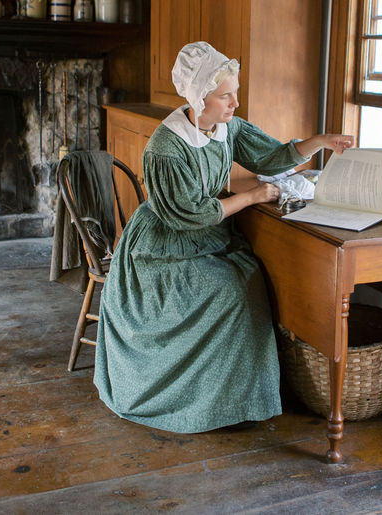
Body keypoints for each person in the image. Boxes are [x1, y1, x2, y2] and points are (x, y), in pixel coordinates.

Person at [93, 41, 353, 433]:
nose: (234, 104)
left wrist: (320, 141)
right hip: (163, 244)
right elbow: (190, 215)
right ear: (200, 99)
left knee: (249, 276)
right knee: (227, 288)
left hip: (208, 234)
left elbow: (271, 156)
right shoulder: (165, 148)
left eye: (235, 93)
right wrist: (253, 196)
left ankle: (232, 399)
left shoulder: (226, 127)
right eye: (225, 96)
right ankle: (193, 400)